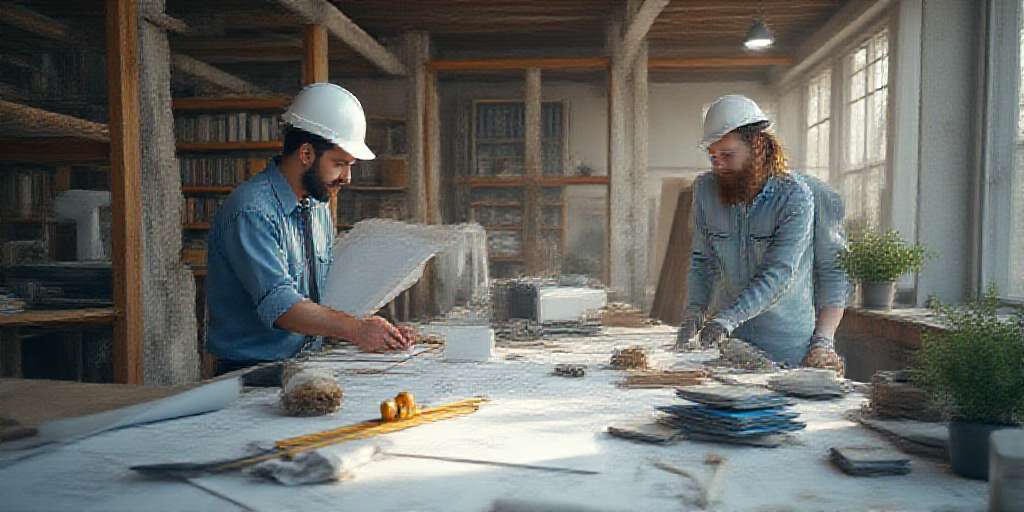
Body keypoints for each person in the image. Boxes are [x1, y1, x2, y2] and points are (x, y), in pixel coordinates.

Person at [206, 83, 415, 376]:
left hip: (307, 365)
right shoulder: (251, 211)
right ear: (306, 153)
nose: (347, 177)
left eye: (350, 165)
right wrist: (355, 329)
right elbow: (283, 308)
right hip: (251, 376)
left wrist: (377, 330)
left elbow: (321, 299)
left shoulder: (316, 207)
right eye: (339, 164)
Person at [675, 94, 846, 371]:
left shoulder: (795, 197)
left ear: (757, 147)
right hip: (728, 347)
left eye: (727, 155)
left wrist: (726, 319)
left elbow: (777, 273)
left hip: (785, 349)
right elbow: (702, 261)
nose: (718, 164)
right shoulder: (706, 190)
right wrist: (695, 311)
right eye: (713, 156)